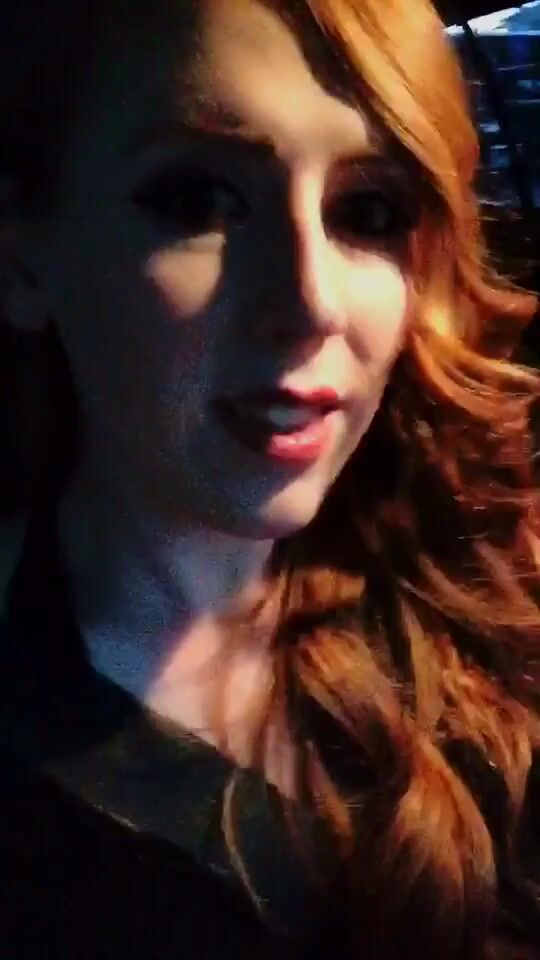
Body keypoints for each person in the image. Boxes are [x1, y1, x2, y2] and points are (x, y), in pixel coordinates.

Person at [1, 0, 540, 957]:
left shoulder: (495, 591)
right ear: (22, 259)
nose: (311, 302)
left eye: (369, 212)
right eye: (200, 200)